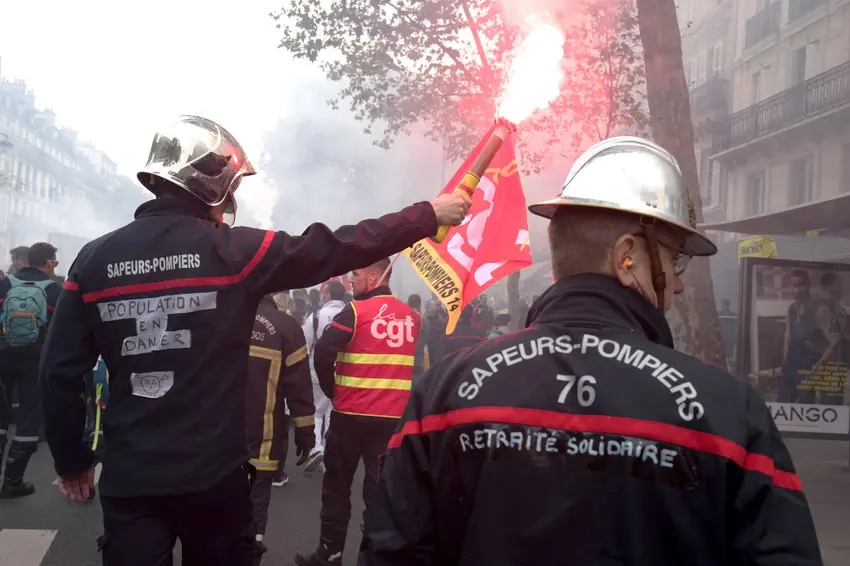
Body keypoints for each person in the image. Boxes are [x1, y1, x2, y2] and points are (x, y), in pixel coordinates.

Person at [358, 136, 822, 566]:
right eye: (674, 258)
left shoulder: (443, 392)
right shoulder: (729, 414)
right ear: (627, 256)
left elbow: (390, 551)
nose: (679, 283)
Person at [37, 115, 470, 566]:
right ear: (215, 184)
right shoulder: (233, 251)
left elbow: (58, 374)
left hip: (131, 478)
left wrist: (72, 461)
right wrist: (426, 215)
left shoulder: (92, 261)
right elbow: (336, 246)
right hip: (213, 478)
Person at [296, 258, 421, 566]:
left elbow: (324, 351)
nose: (351, 279)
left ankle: (329, 554)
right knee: (380, 493)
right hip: (392, 420)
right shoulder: (413, 318)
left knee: (337, 488)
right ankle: (375, 556)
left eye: (356, 274)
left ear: (374, 277)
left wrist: (332, 390)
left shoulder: (354, 312)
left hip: (350, 416)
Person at [247, 294, 316, 565]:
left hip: (219, 440)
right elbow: (298, 388)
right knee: (257, 501)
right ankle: (252, 549)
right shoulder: (286, 327)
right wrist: (305, 432)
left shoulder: (223, 315)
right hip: (262, 437)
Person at [0, 242, 61, 498]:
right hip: (34, 360)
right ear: (48, 264)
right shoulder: (55, 290)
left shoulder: (6, 284)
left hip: (3, 355)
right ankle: (13, 481)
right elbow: (61, 330)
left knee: (1, 417)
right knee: (28, 418)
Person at [301, 279, 347, 475]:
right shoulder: (351, 313)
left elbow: (304, 343)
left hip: (318, 369)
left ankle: (316, 448)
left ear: (327, 294)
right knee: (332, 413)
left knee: (317, 412)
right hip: (344, 371)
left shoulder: (317, 316)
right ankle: (329, 456)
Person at [406, 294, 430, 375]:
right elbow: (426, 340)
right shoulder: (425, 321)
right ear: (420, 304)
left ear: (408, 303)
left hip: (404, 360)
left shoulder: (402, 319)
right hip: (418, 361)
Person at [717, 298, 738, 370]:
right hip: (731, 338)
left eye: (722, 305)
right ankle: (732, 369)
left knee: (723, 355)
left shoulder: (719, 315)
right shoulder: (734, 315)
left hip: (723, 338)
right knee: (730, 355)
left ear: (723, 305)